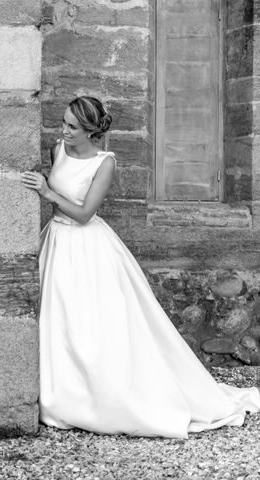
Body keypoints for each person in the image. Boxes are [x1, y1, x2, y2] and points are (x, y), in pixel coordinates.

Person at [21, 96, 260, 438]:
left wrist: (48, 193)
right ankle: (62, 393)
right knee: (58, 318)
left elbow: (86, 212)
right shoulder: (59, 150)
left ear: (92, 132)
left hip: (86, 245)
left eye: (72, 127)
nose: (64, 131)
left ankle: (105, 396)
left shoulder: (105, 163)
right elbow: (58, 182)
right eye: (64, 123)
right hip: (56, 241)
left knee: (94, 323)